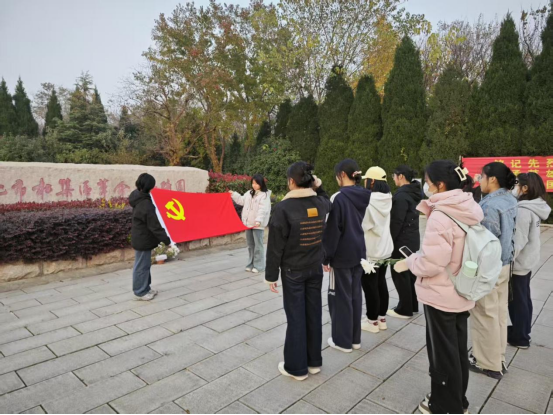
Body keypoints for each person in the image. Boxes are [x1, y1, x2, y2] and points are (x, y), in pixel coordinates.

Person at [395, 160, 482, 415]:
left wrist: (410, 261)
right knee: (457, 350)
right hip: (461, 289)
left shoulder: (442, 215)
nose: (426, 186)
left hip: (442, 294)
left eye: (428, 182)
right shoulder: (468, 207)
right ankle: (459, 400)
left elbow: (432, 263)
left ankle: (445, 406)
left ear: (440, 184)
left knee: (442, 354)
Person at [265, 162, 332, 382]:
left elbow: (275, 246)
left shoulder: (283, 208)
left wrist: (271, 275)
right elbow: (327, 200)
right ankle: (313, 362)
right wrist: (318, 187)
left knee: (296, 317)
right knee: (313, 314)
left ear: (291, 181)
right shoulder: (320, 203)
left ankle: (296, 367)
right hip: (314, 268)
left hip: (293, 270)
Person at [470, 162, 518, 380]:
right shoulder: (509, 199)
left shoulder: (489, 205)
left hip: (491, 267)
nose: (479, 181)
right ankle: (498, 358)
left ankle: (487, 363)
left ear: (492, 179)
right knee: (498, 314)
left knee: (485, 314)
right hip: (505, 264)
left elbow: (485, 243)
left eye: (481, 177)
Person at [323, 159, 372, 353]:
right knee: (355, 296)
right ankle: (354, 339)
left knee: (339, 298)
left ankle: (342, 341)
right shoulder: (365, 195)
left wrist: (326, 257)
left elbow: (332, 231)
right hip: (359, 250)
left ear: (342, 174)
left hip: (342, 254)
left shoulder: (339, 197)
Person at [509, 173, 551, 349]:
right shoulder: (535, 207)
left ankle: (520, 337)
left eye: (516, 184)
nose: (514, 188)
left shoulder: (524, 211)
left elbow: (518, 241)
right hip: (527, 261)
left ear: (525, 188)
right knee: (524, 297)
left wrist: (507, 260)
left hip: (519, 263)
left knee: (517, 300)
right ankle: (523, 331)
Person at [360, 167, 394, 334]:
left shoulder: (368, 200)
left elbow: (364, 225)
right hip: (385, 248)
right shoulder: (388, 198)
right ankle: (382, 318)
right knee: (381, 282)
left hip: (372, 249)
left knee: (370, 286)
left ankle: (372, 321)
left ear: (372, 181)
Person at [129, 173, 171, 301]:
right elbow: (155, 226)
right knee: (141, 266)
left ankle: (146, 288)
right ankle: (140, 291)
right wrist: (166, 240)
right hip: (143, 239)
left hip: (141, 237)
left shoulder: (137, 195)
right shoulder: (145, 204)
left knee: (145, 265)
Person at [388, 165, 422, 319]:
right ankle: (412, 305)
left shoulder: (401, 196)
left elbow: (396, 222)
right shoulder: (414, 192)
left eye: (394, 176)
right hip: (412, 239)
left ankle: (404, 309)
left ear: (401, 176)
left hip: (401, 241)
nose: (393, 179)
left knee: (399, 272)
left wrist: (390, 241)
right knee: (409, 273)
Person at [230, 174, 272, 273]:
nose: (254, 185)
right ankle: (250, 264)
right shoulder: (249, 193)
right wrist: (233, 194)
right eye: (253, 183)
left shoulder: (264, 195)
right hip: (248, 223)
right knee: (250, 245)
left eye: (256, 183)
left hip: (258, 225)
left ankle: (259, 266)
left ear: (261, 184)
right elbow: (241, 201)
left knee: (258, 246)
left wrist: (258, 220)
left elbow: (263, 209)